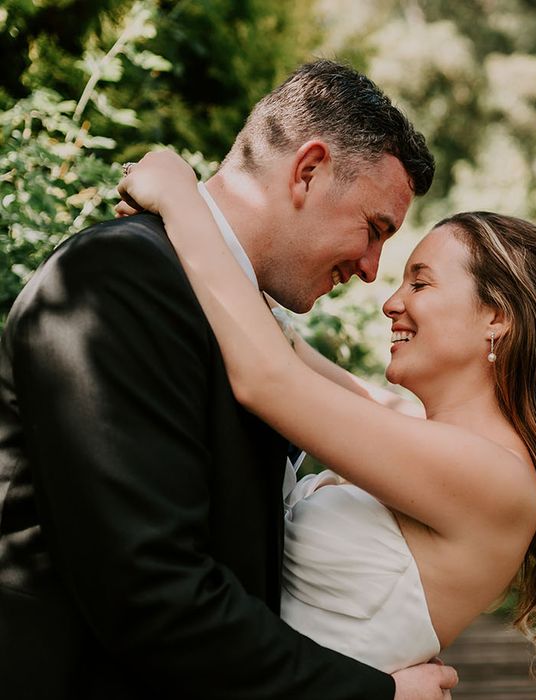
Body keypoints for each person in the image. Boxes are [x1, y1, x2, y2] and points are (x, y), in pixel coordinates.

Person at [0, 61, 459, 699]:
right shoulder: (117, 280)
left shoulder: (245, 327)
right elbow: (151, 593)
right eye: (374, 229)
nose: (370, 270)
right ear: (308, 169)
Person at [114, 150, 536, 674]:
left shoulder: (498, 478)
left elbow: (269, 379)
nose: (390, 302)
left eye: (420, 283)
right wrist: (194, 230)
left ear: (496, 317)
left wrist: (180, 194)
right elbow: (280, 347)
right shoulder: (416, 431)